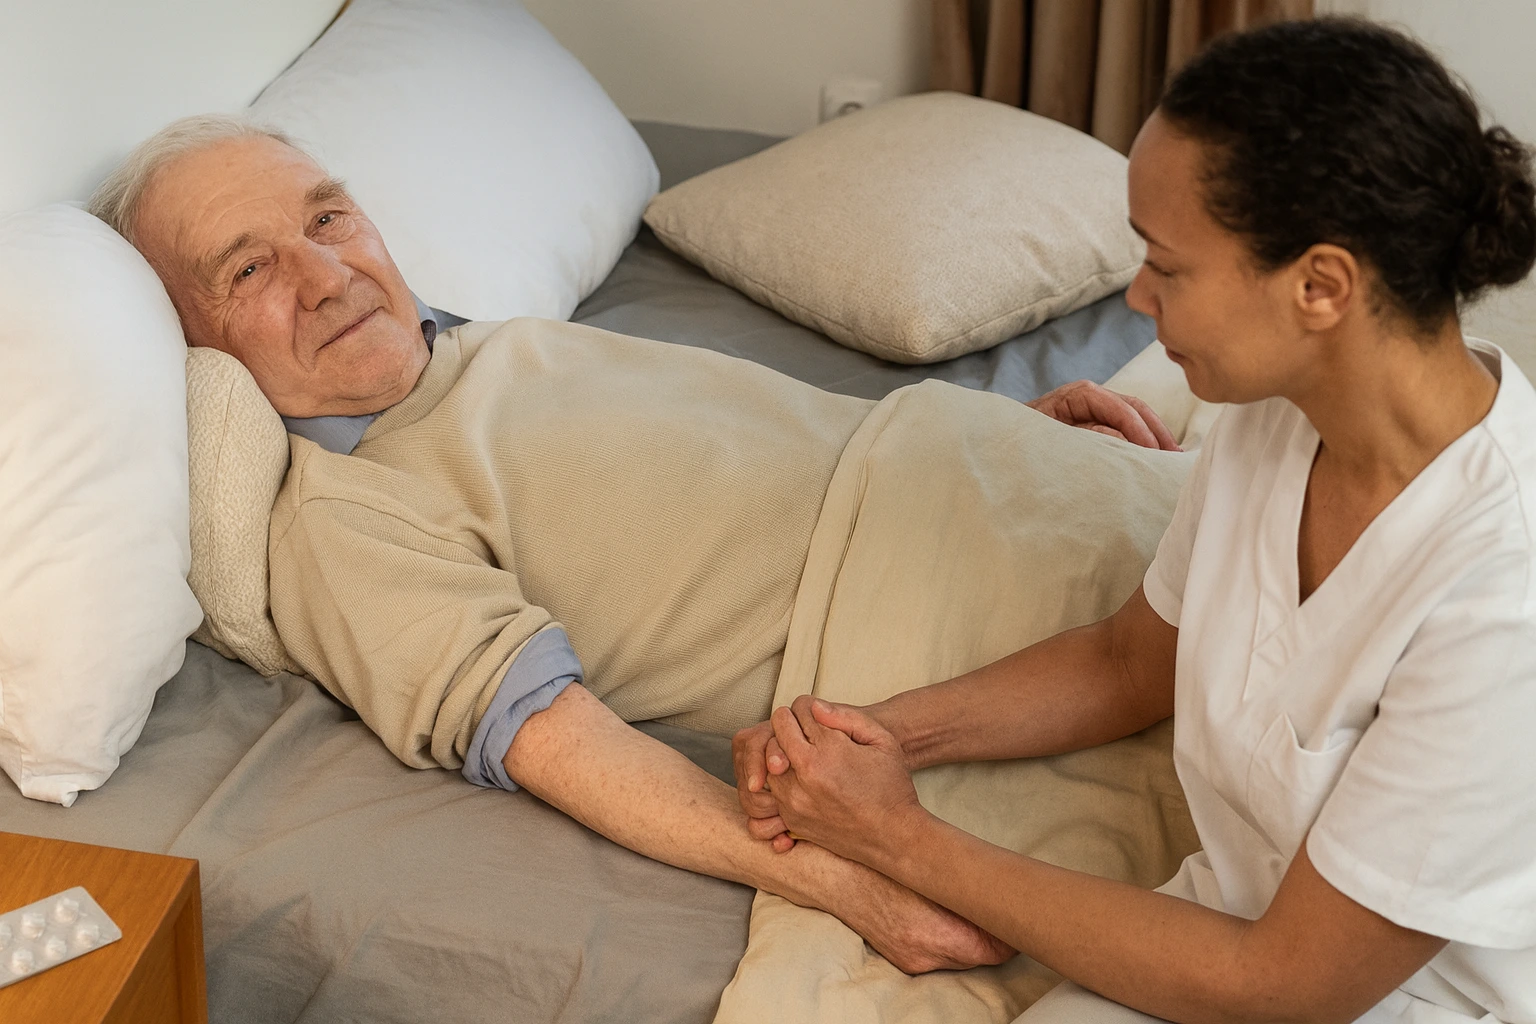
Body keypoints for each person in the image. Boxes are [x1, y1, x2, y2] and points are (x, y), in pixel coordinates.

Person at [86, 112, 1178, 974]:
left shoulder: (482, 344)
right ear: (196, 345)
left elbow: (735, 453)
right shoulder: (338, 514)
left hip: (968, 479)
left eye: (327, 219)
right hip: (943, 609)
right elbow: (557, 739)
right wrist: (849, 884)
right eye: (248, 271)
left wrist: (998, 434)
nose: (325, 275)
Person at [733, 17, 1536, 1023]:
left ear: (1321, 285)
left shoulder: (1504, 591)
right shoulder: (1272, 417)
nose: (1137, 295)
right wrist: (872, 736)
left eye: (1169, 265)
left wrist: (899, 838)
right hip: (1218, 933)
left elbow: (1282, 985)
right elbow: (1127, 661)